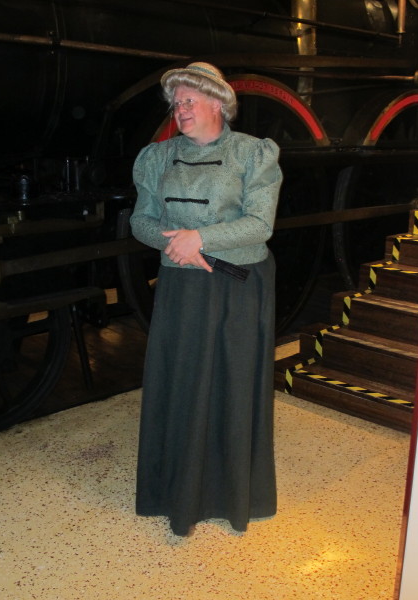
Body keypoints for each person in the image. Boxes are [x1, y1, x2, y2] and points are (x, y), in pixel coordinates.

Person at [130, 62, 283, 536]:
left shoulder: (252, 154)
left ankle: (230, 493)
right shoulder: (157, 157)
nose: (180, 110)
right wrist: (174, 243)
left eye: (189, 101)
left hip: (235, 288)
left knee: (231, 386)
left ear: (218, 102)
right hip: (181, 287)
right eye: (176, 103)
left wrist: (201, 238)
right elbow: (140, 219)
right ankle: (175, 491)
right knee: (180, 384)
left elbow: (260, 224)